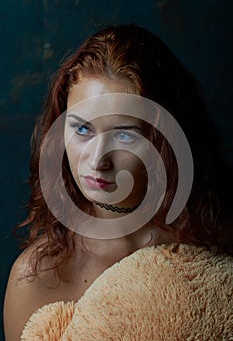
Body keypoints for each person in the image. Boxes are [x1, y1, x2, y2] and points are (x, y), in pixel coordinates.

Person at [4, 24, 232, 341]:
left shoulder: (215, 241)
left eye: (124, 135)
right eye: (82, 129)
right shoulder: (36, 277)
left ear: (165, 138)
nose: (98, 160)